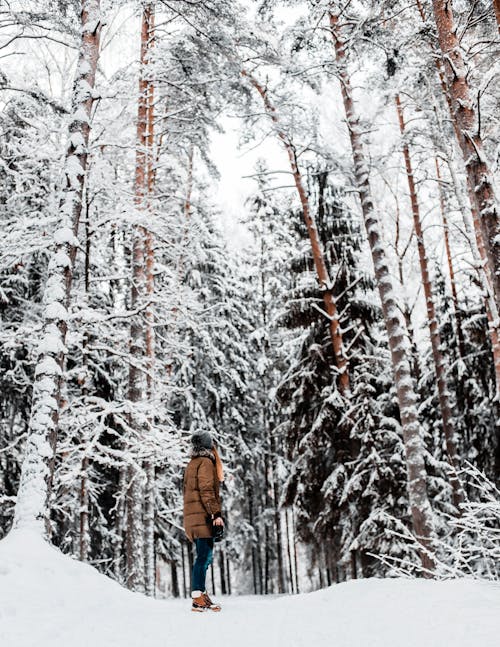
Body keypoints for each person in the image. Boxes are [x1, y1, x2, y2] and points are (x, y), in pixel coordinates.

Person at [183, 431, 225, 612]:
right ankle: (198, 597)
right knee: (203, 557)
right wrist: (215, 514)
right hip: (203, 517)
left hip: (193, 517)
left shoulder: (192, 463)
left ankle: (201, 595)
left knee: (204, 557)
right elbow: (206, 490)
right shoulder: (206, 463)